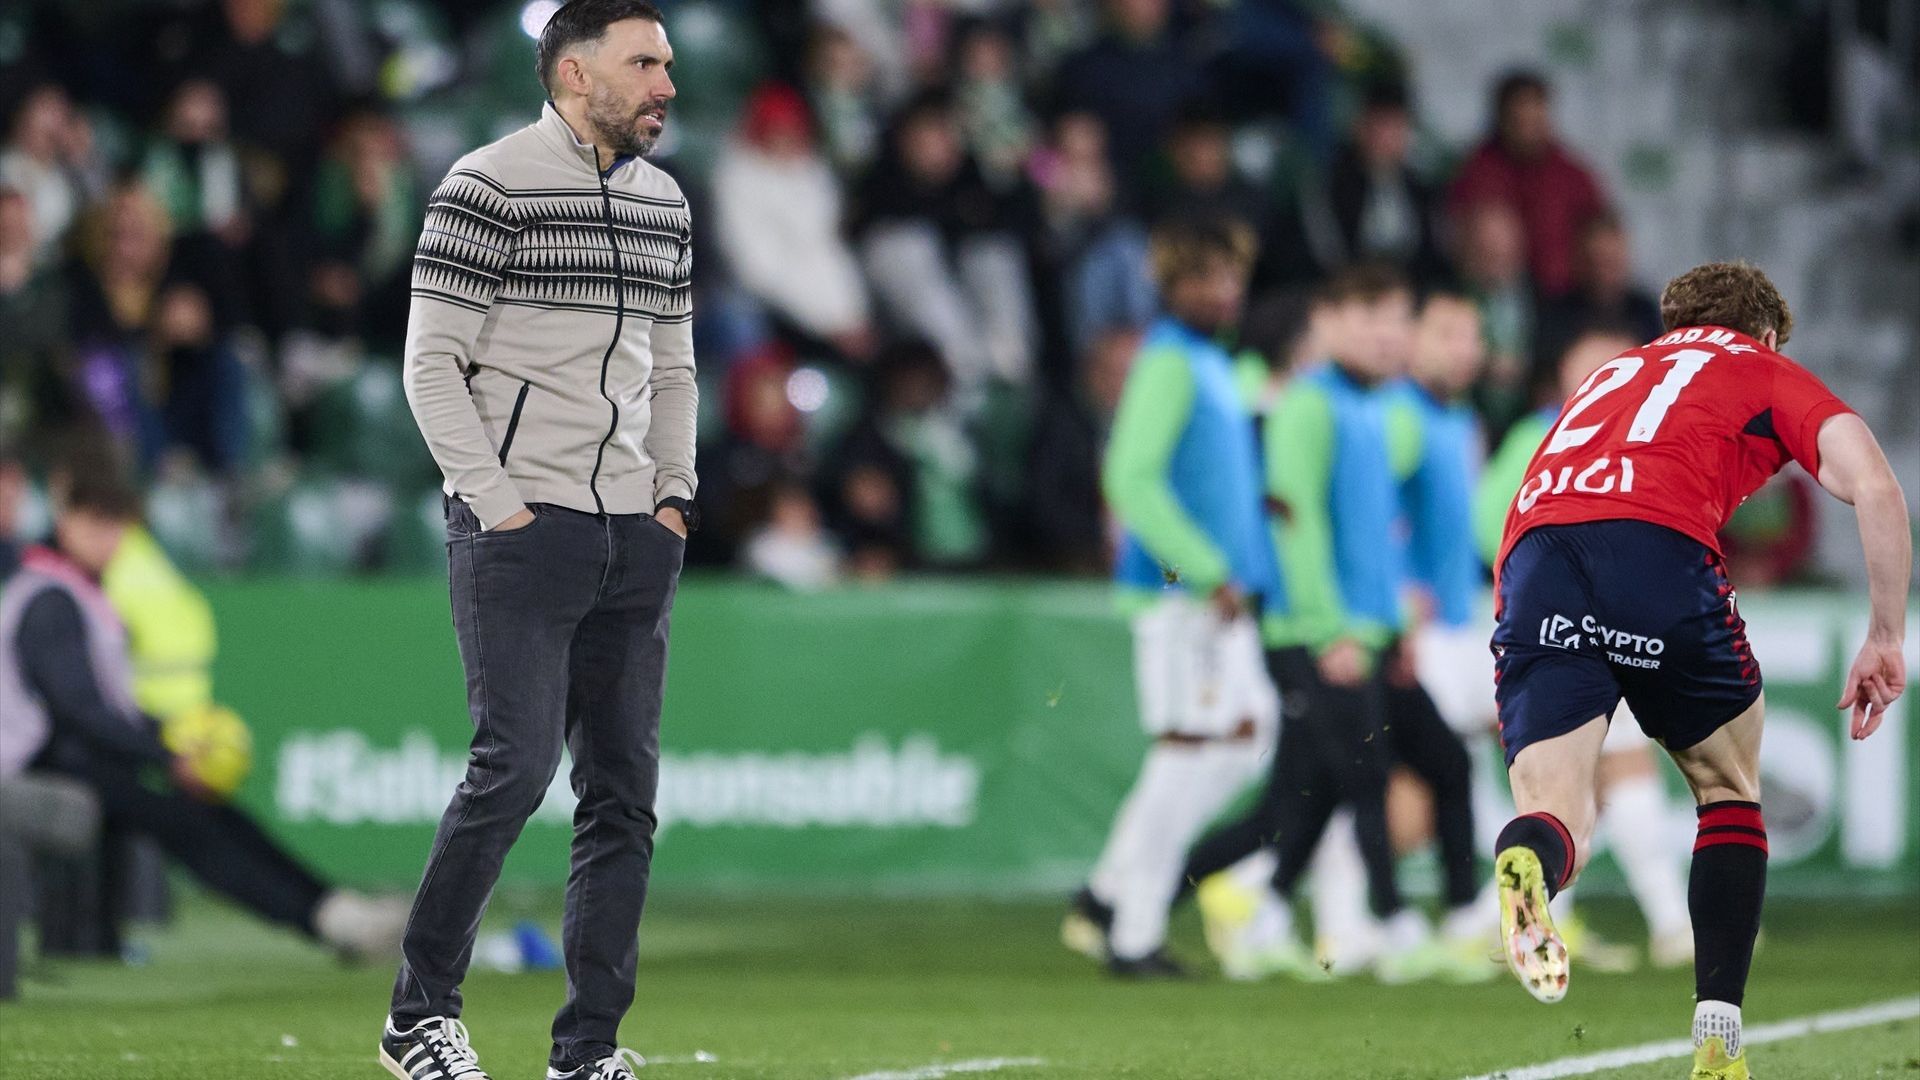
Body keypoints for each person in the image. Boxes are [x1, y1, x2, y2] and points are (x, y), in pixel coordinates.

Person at [1486, 263, 1909, 1080]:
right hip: (1655, 545)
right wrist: (1885, 634)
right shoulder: (1761, 367)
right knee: (1726, 786)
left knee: (1558, 807)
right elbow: (1876, 486)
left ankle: (1530, 862)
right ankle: (1719, 1044)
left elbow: (1531, 501)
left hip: (1538, 556)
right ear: (1768, 333)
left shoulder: (1609, 373)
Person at [389, 2, 697, 1078]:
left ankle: (589, 1052)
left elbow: (673, 368)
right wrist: (495, 499)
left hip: (632, 533)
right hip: (522, 523)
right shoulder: (485, 184)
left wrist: (672, 499)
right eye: (644, 63)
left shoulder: (664, 200)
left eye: (668, 62)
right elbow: (432, 365)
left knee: (623, 797)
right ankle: (418, 1017)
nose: (667, 82)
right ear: (575, 73)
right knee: (512, 771)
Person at [1181, 264, 1469, 983]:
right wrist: (1326, 629)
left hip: (1364, 631)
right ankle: (1396, 926)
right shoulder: (1310, 407)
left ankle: (1261, 914)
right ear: (1329, 323)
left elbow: (1374, 539)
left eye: (1397, 316)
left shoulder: (1371, 409)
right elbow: (1293, 523)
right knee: (1364, 780)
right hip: (1317, 634)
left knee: (1310, 793)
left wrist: (1393, 623)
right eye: (1369, 315)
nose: (1386, 332)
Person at [0, 456, 402, 962]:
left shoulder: (71, 591)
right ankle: (329, 918)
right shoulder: (50, 597)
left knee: (207, 813)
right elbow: (76, 711)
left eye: (116, 527)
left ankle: (331, 910)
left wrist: (168, 740)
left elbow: (101, 708)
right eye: (95, 524)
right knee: (188, 818)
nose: (108, 541)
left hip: (68, 756)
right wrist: (166, 755)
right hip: (34, 761)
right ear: (66, 521)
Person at [1062, 217, 1280, 977]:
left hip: (1219, 596)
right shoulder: (1168, 363)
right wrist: (1200, 568)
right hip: (1181, 594)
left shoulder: (1208, 363)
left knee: (1234, 744)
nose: (1224, 292)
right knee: (1191, 752)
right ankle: (1130, 929)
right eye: (1207, 277)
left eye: (1232, 277)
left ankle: (1112, 892)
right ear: (1172, 284)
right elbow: (1130, 479)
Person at [1475, 325, 1695, 972]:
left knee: (1570, 783)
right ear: (1562, 381)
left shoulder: (1635, 445)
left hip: (1581, 629)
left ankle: (1548, 922)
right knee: (1621, 770)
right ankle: (1671, 923)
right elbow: (1491, 523)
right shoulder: (1539, 436)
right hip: (1570, 628)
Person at [1447, 71, 1609, 297]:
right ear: (1502, 119)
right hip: (1497, 295)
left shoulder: (1572, 174)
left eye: (1536, 119)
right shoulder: (1478, 172)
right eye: (1520, 120)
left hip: (1567, 299)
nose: (1529, 130)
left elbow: (1601, 231)